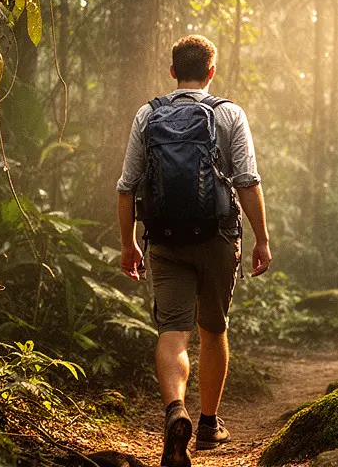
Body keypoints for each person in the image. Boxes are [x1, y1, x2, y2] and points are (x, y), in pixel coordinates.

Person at [116, 35, 272, 467]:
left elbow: (127, 186)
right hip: (219, 238)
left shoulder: (148, 114)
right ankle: (207, 424)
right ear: (211, 71)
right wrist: (262, 238)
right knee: (214, 329)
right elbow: (247, 181)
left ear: (172, 72)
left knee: (173, 331)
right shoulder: (229, 113)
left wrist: (128, 243)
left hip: (165, 241)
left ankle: (174, 411)